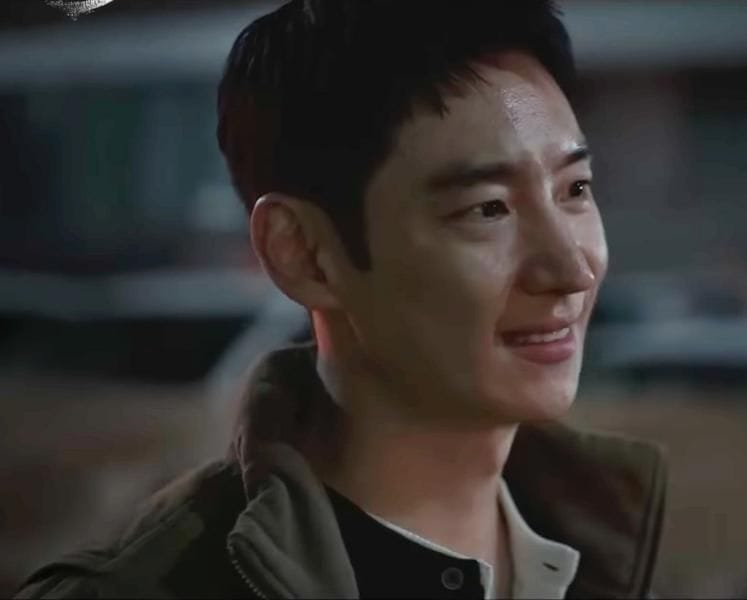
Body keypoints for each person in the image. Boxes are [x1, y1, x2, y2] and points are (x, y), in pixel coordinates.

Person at [16, 0, 666, 597]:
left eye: (575, 190)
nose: (572, 269)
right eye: (487, 208)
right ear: (302, 252)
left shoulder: (608, 556)